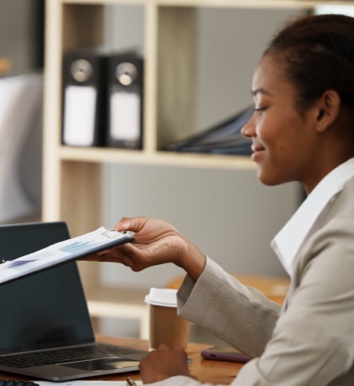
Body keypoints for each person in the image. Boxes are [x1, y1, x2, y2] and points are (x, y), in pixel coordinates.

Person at [91, 13, 354, 385]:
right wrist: (186, 254)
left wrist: (169, 380)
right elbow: (300, 341)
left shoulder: (347, 238)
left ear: (324, 110)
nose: (248, 128)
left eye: (262, 107)